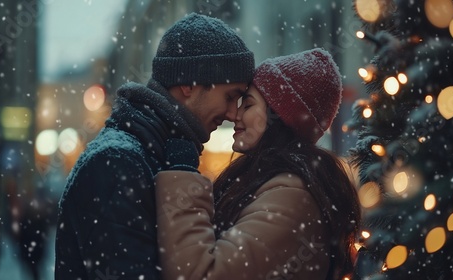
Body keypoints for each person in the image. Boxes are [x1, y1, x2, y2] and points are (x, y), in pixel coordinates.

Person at [54, 13, 254, 279]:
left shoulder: (153, 154)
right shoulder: (117, 163)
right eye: (230, 97)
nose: (232, 113)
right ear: (189, 84)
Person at [155, 48, 361, 280]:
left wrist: (181, 173)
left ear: (279, 117)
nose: (235, 115)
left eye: (248, 105)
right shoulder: (273, 182)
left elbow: (202, 274)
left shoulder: (292, 197)